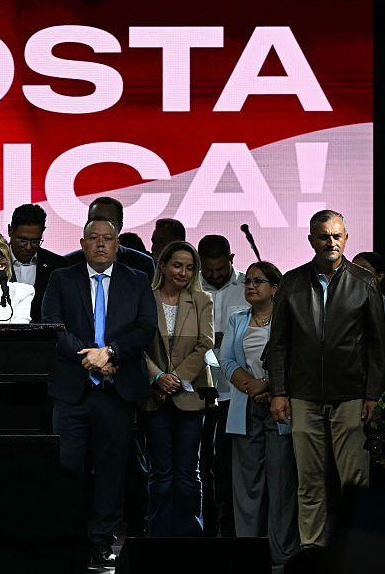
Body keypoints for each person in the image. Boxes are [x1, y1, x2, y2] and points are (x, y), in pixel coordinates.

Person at [265, 210, 385, 549]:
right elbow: (278, 345)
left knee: (355, 482)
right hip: (303, 396)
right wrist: (279, 392)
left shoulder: (364, 282)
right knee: (309, 482)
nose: (330, 242)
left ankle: (357, 551)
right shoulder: (291, 282)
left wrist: (373, 394)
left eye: (336, 235)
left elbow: (378, 345)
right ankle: (312, 553)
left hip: (351, 395)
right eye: (323, 236)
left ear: (346, 238)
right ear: (311, 241)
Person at [41, 217, 157, 566]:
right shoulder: (62, 278)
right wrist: (91, 357)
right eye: (94, 238)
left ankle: (102, 542)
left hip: (116, 391)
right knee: (68, 470)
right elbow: (52, 326)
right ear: (82, 242)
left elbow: (145, 328)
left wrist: (111, 353)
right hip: (72, 391)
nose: (101, 244)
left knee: (111, 471)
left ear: (118, 243)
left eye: (108, 238)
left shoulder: (136, 281)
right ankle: (68, 540)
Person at [219, 261, 299, 566]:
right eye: (248, 281)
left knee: (281, 485)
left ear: (275, 288)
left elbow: (294, 360)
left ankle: (282, 556)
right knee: (246, 486)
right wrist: (252, 386)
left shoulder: (288, 320)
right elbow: (225, 361)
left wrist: (269, 384)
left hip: (280, 407)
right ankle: (247, 555)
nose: (250, 286)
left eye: (258, 281)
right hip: (246, 406)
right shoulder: (238, 319)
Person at [141, 241, 215, 537]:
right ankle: (158, 537)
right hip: (154, 395)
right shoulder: (145, 298)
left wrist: (175, 379)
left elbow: (205, 344)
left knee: (188, 472)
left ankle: (189, 537)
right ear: (162, 266)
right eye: (177, 265)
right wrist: (159, 378)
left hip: (190, 396)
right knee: (161, 473)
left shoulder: (202, 299)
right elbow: (137, 346)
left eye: (189, 267)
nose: (183, 272)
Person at [197, 234, 248, 537]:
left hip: (236, 392)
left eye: (221, 269)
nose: (215, 276)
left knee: (230, 466)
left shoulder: (247, 288)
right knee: (201, 464)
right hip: (199, 391)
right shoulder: (191, 287)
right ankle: (204, 529)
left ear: (232, 258)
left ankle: (231, 530)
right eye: (209, 271)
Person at [63, 196, 155, 277]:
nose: (101, 225)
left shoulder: (142, 264)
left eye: (108, 221)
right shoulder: (68, 263)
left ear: (120, 226)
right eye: (95, 219)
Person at [8, 203, 66, 323]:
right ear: (10, 231)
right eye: (22, 240)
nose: (28, 247)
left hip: (46, 339)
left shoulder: (58, 266)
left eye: (35, 241)